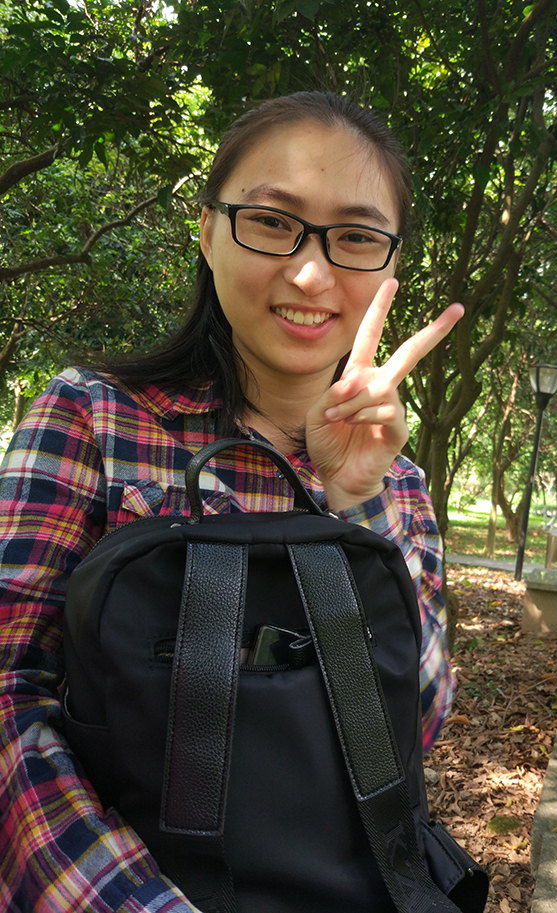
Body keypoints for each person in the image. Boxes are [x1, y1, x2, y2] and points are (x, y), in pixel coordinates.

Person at [0, 91, 463, 911]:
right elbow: (10, 698)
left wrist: (354, 501)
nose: (311, 273)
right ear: (208, 230)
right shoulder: (92, 417)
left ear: (389, 265)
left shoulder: (397, 486)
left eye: (356, 237)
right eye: (273, 222)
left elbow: (415, 725)